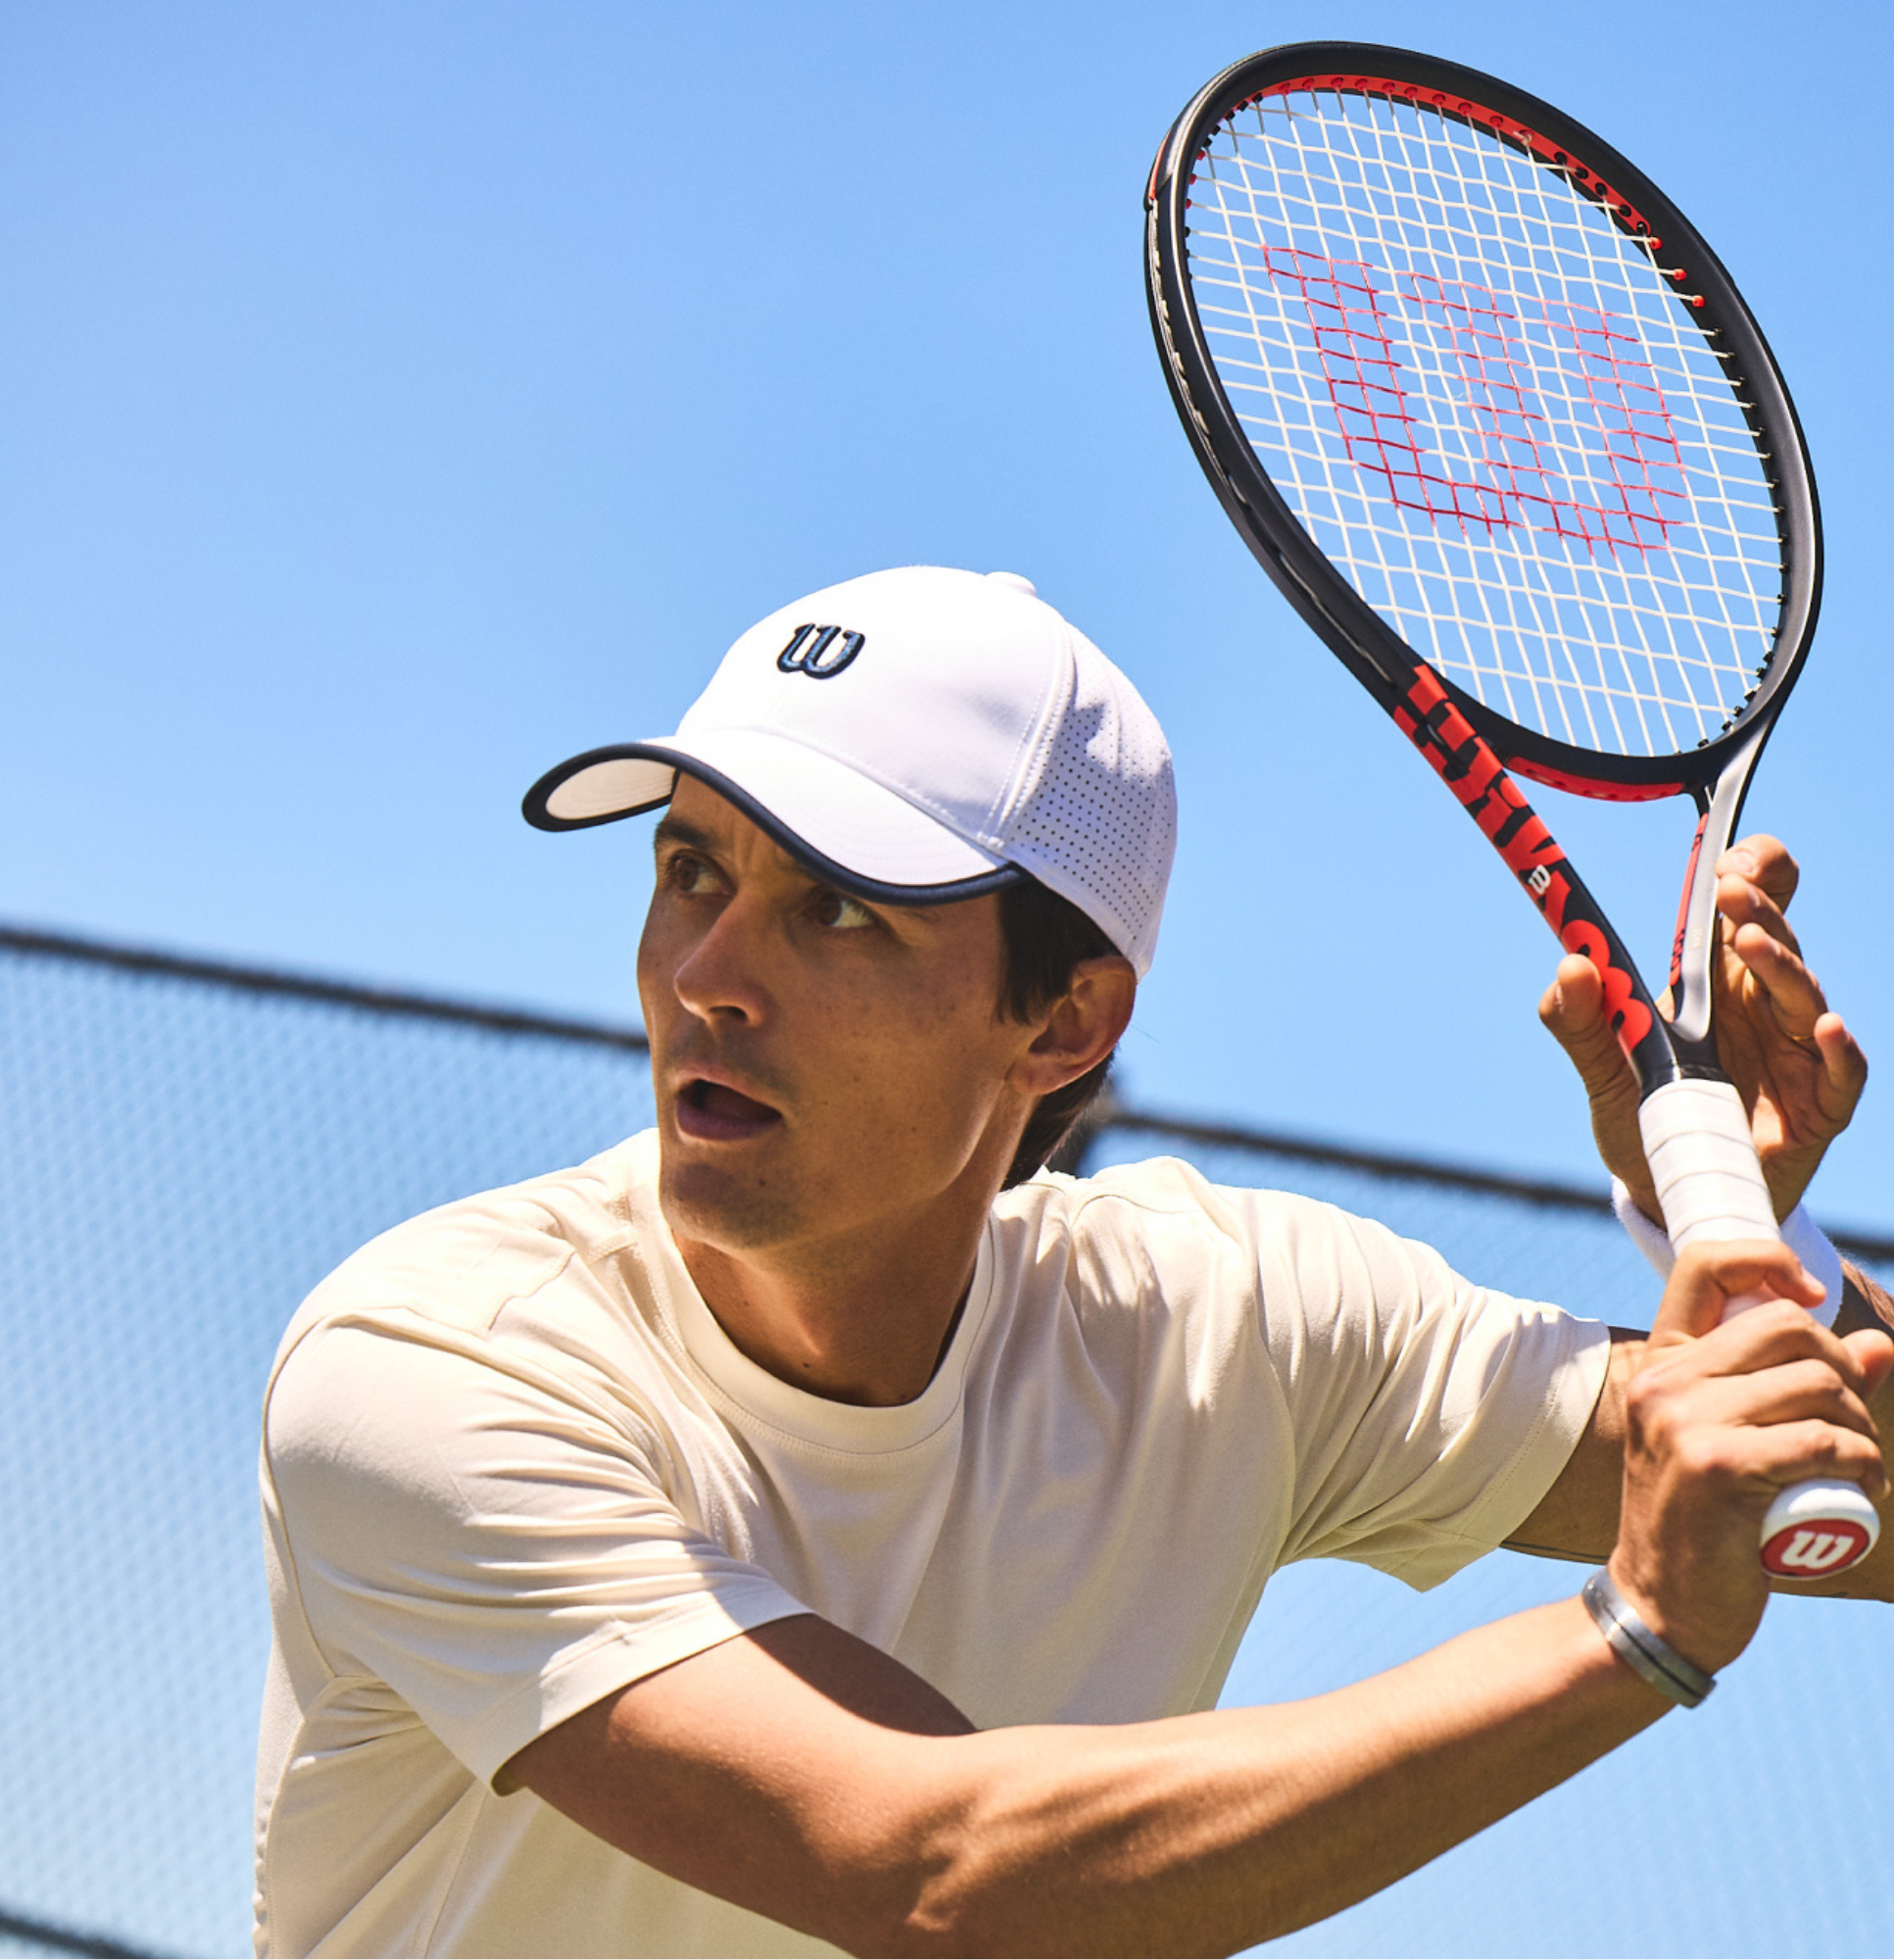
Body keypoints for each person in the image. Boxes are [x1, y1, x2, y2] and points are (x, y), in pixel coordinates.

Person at [253, 566, 1893, 1958]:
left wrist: (1759, 1247)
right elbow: (934, 1873)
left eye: (836, 911)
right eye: (692, 869)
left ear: (1064, 1021)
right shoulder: (429, 1360)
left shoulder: (1228, 1319)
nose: (708, 975)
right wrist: (1629, 1635)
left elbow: (1829, 1491)